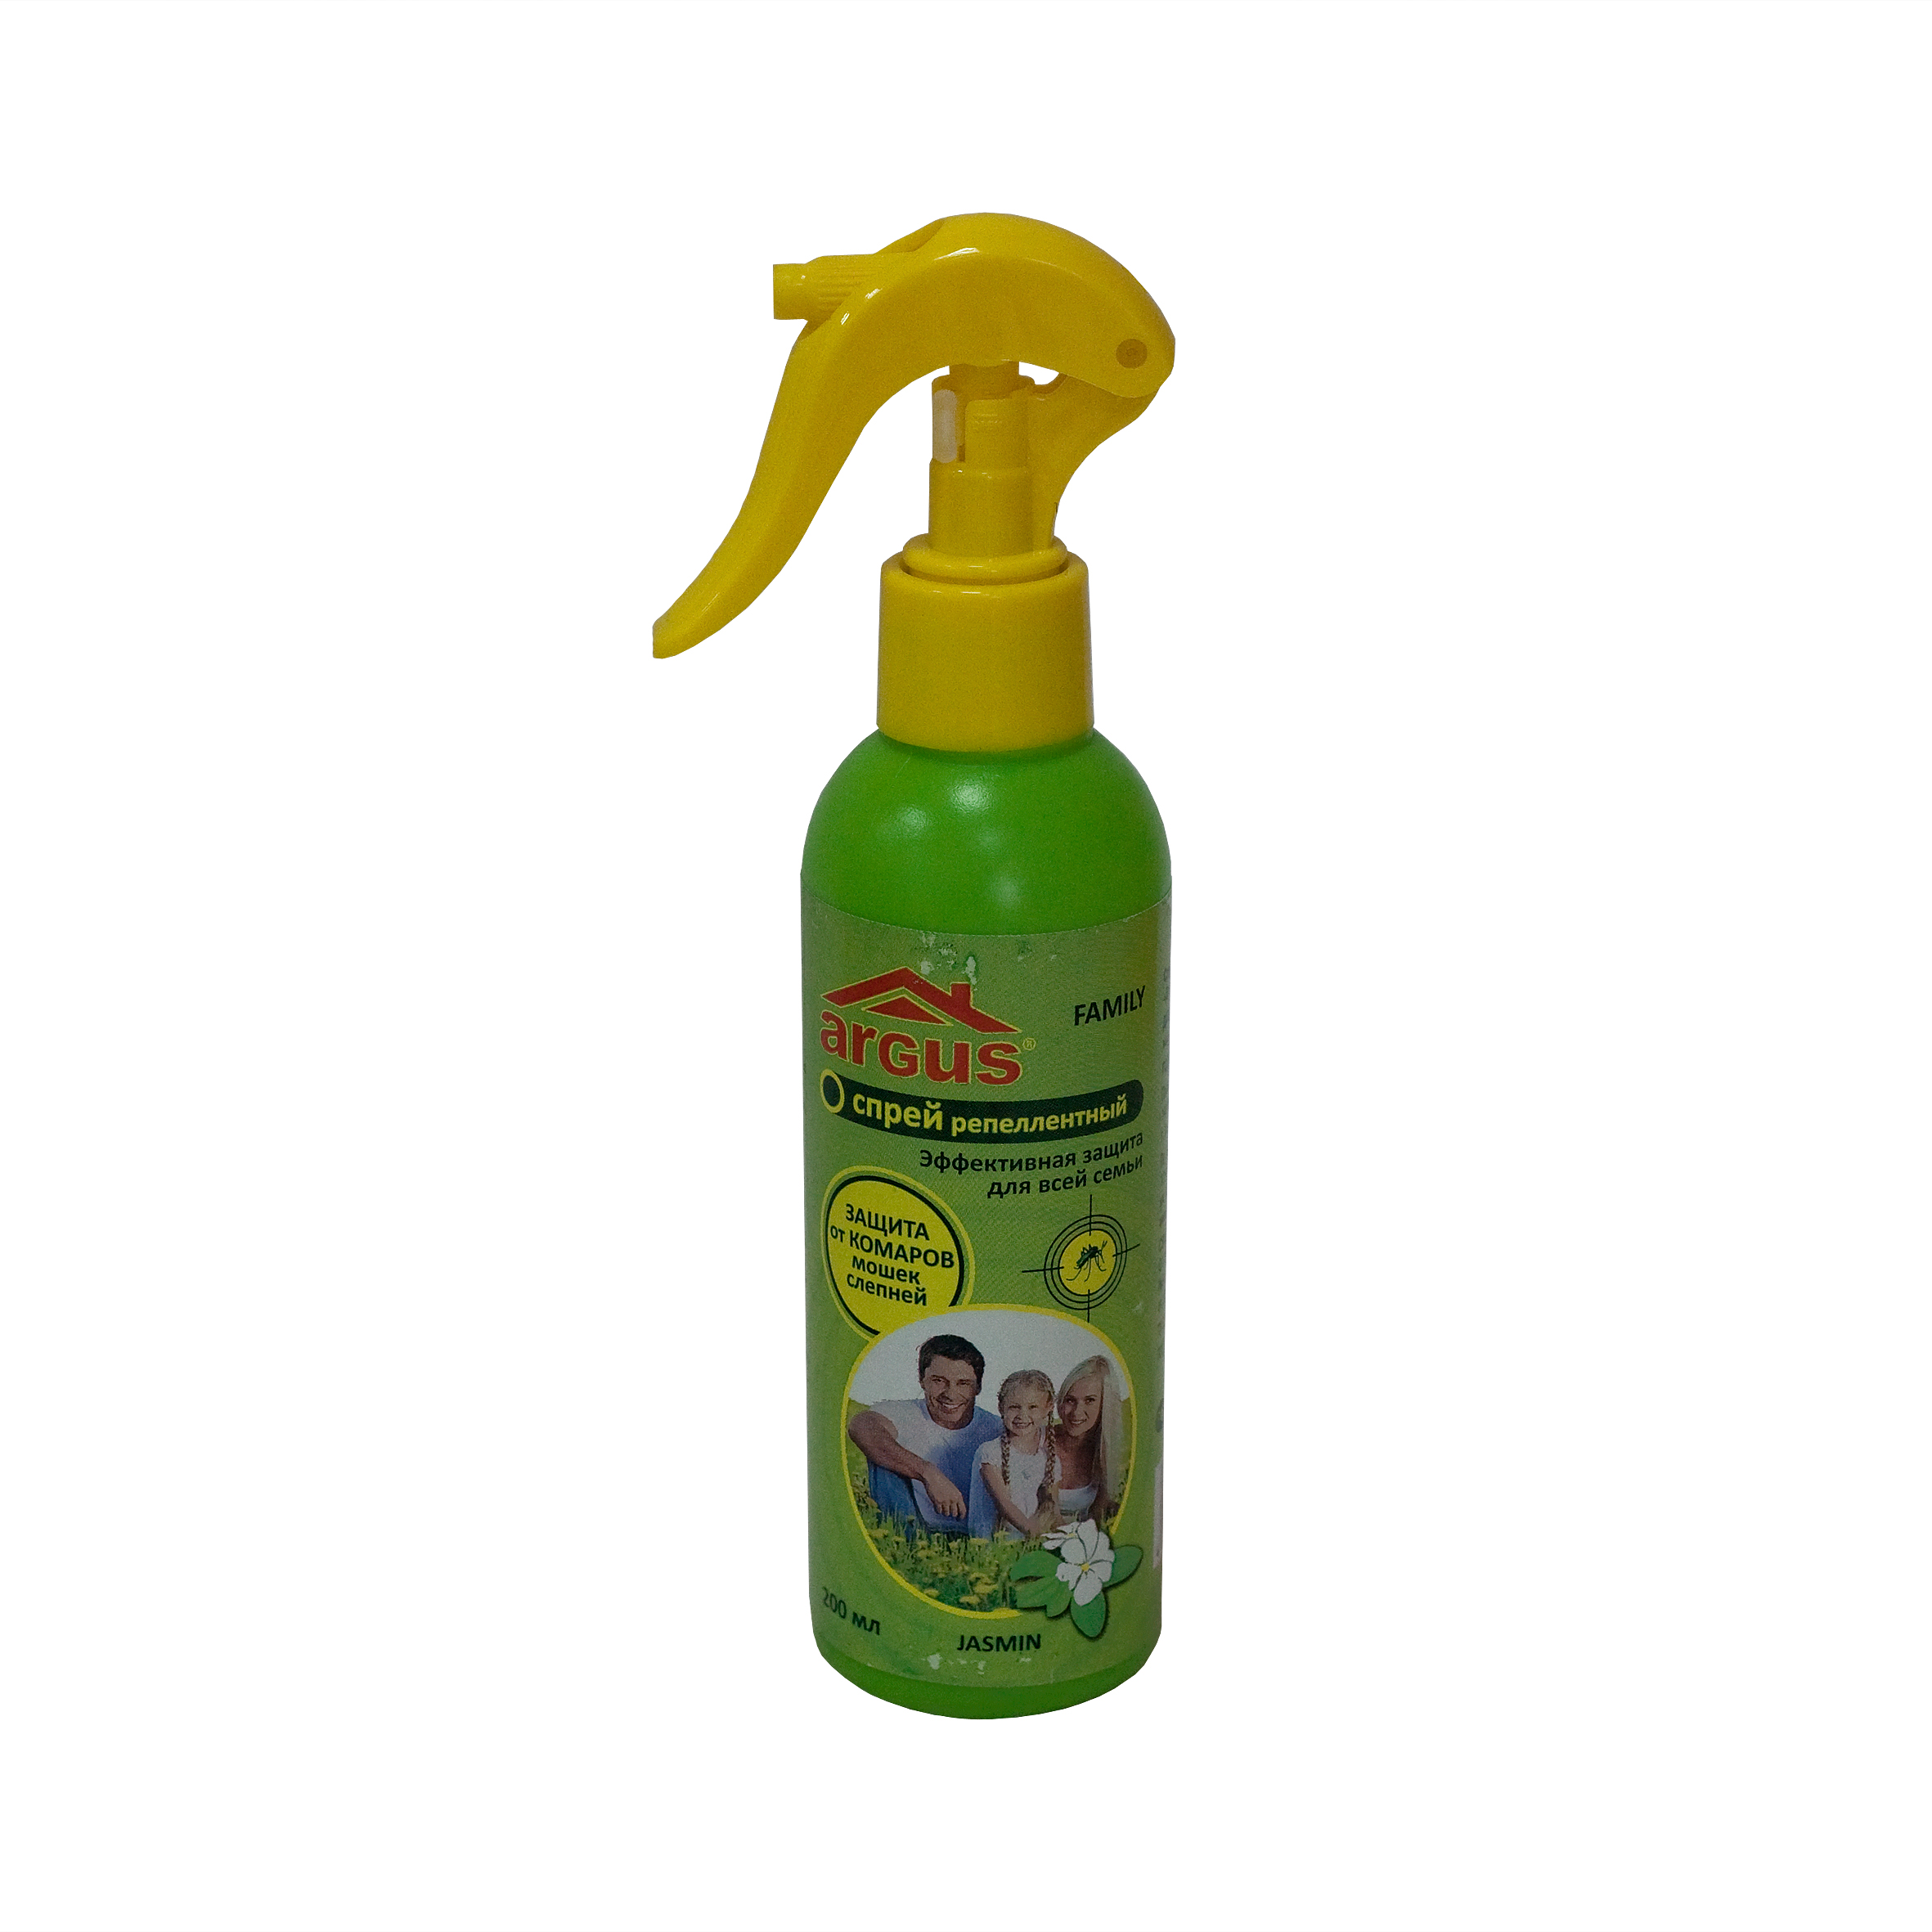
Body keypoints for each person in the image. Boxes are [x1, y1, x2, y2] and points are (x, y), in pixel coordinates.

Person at [847, 1333, 1003, 1534]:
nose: (950, 1394)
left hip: (980, 1536)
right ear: (922, 1380)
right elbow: (861, 1425)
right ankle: (903, 1544)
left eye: (963, 1383)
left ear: (978, 1387)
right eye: (939, 1381)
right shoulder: (906, 1413)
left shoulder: (996, 1428)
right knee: (882, 1458)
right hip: (918, 1528)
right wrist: (927, 1472)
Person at [970, 1369, 1058, 1540]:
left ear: (1048, 1408)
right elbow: (1005, 1505)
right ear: (1001, 1408)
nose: (1022, 1415)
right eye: (1014, 1407)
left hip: (1029, 1542)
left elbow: (1053, 1510)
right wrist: (1035, 1535)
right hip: (992, 1544)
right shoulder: (990, 1453)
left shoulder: (1048, 1459)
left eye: (1032, 1407)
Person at [1049, 1354, 1126, 1528]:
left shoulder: (1105, 1452)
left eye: (1089, 1400)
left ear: (1105, 1404)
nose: (1077, 1412)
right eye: (1070, 1400)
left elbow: (1098, 1517)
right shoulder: (1039, 1441)